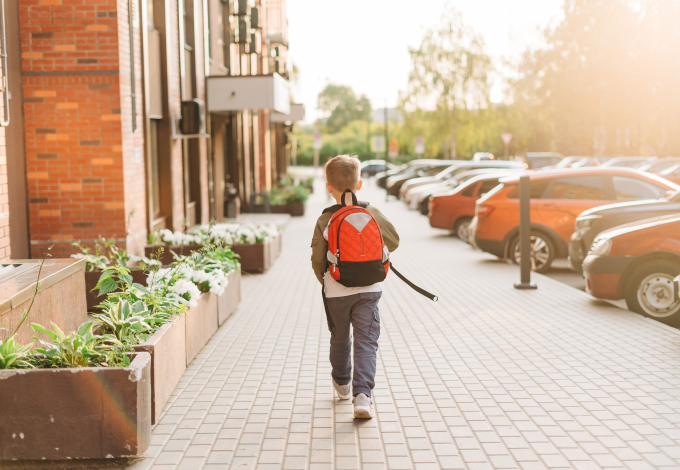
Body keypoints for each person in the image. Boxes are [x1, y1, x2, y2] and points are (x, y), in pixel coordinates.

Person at [310, 155, 399, 418]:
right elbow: (393, 239)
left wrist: (326, 281)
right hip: (369, 289)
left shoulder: (325, 219)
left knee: (339, 339)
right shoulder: (371, 211)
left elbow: (317, 259)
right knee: (366, 341)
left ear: (329, 187)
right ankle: (363, 397)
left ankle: (342, 385)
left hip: (336, 290)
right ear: (358, 185)